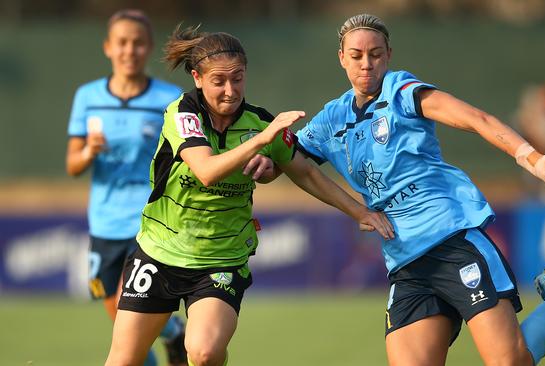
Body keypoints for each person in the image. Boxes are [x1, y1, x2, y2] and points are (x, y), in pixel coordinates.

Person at [294, 14, 545, 366]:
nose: (366, 64)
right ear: (342, 58)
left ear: (388, 55)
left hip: (452, 241)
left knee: (510, 363)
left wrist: (533, 159)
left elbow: (475, 119)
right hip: (406, 263)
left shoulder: (401, 91)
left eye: (375, 54)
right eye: (357, 55)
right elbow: (290, 162)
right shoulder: (331, 118)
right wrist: (263, 158)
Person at [104, 25, 393, 366]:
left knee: (205, 352)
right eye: (219, 81)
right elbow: (207, 172)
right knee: (123, 361)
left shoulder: (259, 122)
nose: (230, 90)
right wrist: (262, 140)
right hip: (159, 252)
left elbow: (307, 173)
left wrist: (359, 212)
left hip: (221, 261)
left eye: (238, 79)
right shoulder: (182, 113)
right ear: (197, 77)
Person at [65, 9, 188, 366]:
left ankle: (175, 334)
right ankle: (174, 334)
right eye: (121, 43)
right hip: (104, 223)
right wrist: (89, 150)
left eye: (137, 43)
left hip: (150, 222)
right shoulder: (88, 97)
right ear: (108, 47)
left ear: (148, 48)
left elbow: (185, 155)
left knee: (130, 302)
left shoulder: (169, 98)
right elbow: (73, 165)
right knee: (121, 323)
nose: (129, 50)